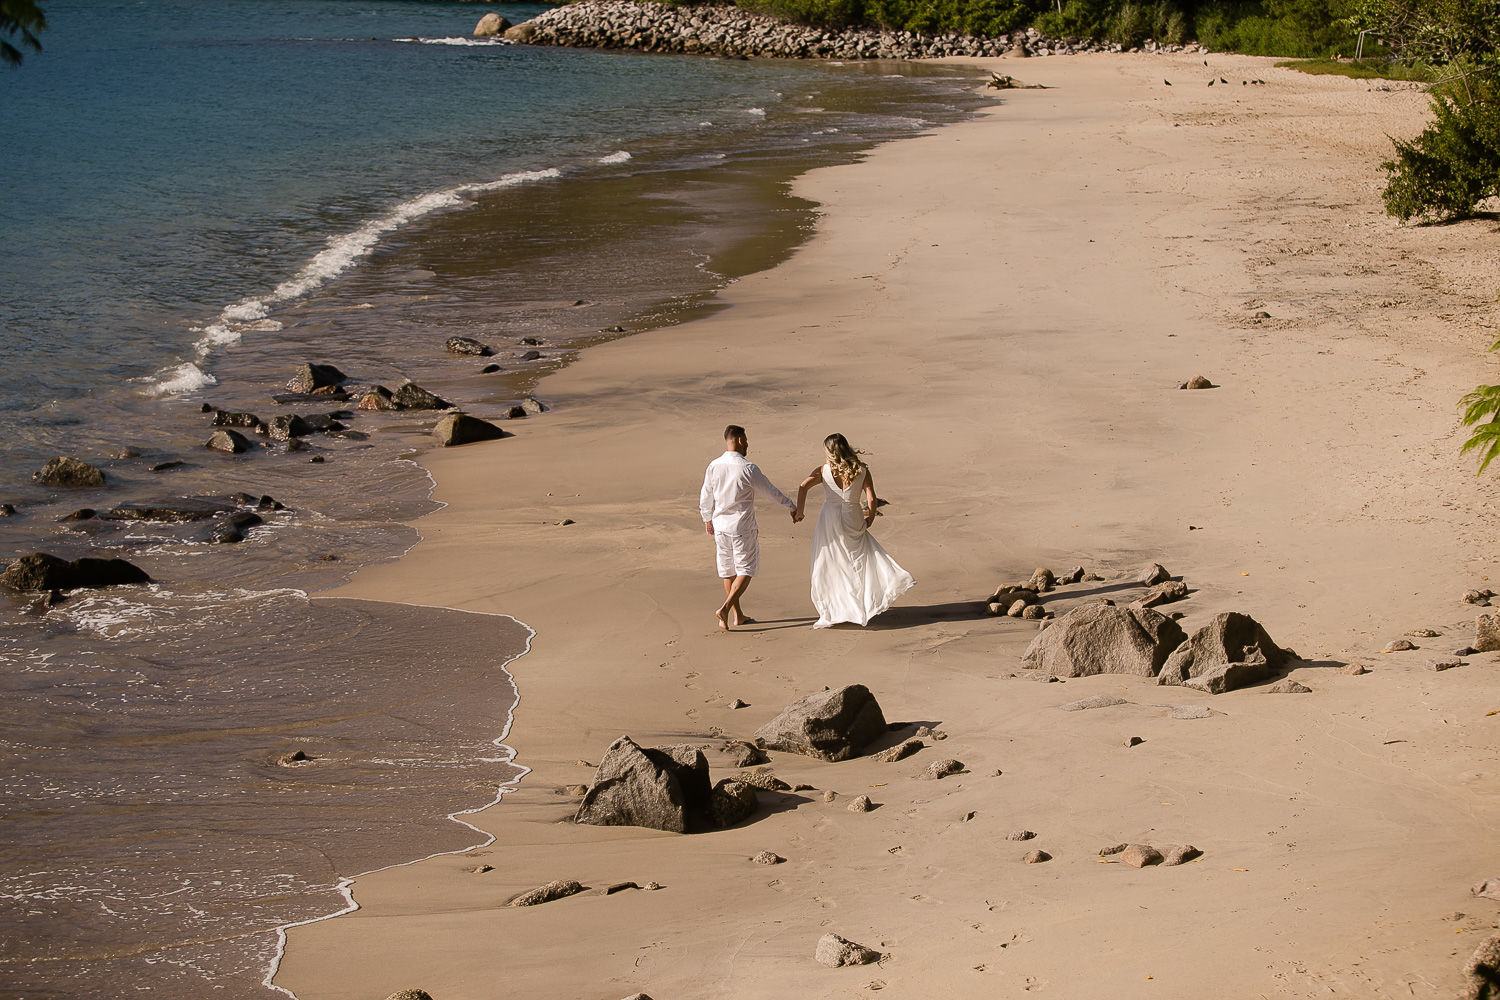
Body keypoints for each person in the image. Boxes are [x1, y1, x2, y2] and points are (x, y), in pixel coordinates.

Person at [794, 433, 914, 628]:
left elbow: (803, 486)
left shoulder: (823, 470)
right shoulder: (862, 470)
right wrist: (871, 518)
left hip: (830, 518)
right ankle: (860, 605)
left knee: (831, 563)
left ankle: (837, 609)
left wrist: (800, 512)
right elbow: (872, 499)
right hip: (853, 515)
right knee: (857, 560)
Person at [700, 424, 802, 630]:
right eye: (745, 440)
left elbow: (706, 494)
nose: (747, 444)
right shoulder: (747, 468)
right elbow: (770, 491)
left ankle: (737, 616)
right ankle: (726, 608)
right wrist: (791, 506)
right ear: (738, 440)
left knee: (728, 570)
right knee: (746, 569)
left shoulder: (714, 465)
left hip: (720, 526)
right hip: (741, 526)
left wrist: (707, 518)